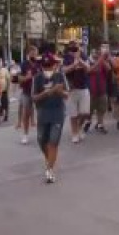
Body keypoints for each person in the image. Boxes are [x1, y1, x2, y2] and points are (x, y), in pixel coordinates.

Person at [32, 53, 69, 184]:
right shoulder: (37, 78)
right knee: (42, 140)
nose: (47, 69)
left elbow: (66, 95)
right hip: (43, 112)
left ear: (54, 65)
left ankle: (49, 170)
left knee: (53, 141)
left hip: (57, 112)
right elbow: (34, 98)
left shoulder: (60, 76)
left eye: (50, 66)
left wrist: (59, 92)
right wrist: (50, 91)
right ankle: (50, 159)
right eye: (45, 66)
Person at [63, 42, 91, 144]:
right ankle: (75, 133)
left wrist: (80, 60)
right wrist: (74, 64)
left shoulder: (83, 55)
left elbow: (88, 68)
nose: (74, 49)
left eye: (76, 47)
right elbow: (64, 70)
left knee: (85, 112)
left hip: (83, 87)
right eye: (72, 47)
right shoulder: (66, 57)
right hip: (71, 89)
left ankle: (79, 128)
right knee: (73, 113)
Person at [19, 46, 40, 144]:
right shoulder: (24, 64)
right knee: (26, 114)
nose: (34, 55)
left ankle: (42, 133)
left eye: (35, 53)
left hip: (39, 92)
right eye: (32, 53)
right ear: (28, 54)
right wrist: (27, 77)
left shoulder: (40, 63)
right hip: (26, 92)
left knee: (41, 113)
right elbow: (18, 79)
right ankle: (25, 135)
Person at [87, 48, 110, 134]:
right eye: (93, 52)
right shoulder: (88, 62)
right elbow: (89, 70)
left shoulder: (102, 62)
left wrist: (102, 60)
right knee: (90, 109)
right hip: (91, 90)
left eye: (97, 53)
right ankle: (88, 122)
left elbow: (108, 69)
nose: (95, 54)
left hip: (102, 89)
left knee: (101, 109)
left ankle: (100, 124)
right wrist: (99, 61)